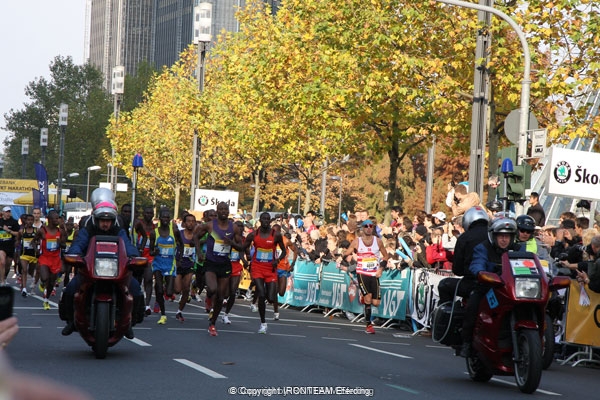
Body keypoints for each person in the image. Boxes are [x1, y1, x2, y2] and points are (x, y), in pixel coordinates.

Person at [61, 192, 143, 338]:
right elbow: (79, 243)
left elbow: (127, 244)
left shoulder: (119, 230)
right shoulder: (88, 229)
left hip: (115, 269)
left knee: (136, 289)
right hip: (90, 269)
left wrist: (134, 256)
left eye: (108, 221)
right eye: (102, 220)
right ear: (96, 219)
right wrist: (74, 254)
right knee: (71, 289)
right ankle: (71, 320)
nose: (105, 223)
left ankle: (129, 322)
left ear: (113, 220)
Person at [460, 217, 520, 357]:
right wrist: (481, 273)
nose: (504, 239)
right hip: (489, 286)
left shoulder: (519, 249)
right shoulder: (483, 248)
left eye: (507, 236)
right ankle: (467, 342)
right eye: (501, 236)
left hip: (513, 288)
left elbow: (532, 263)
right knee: (473, 305)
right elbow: (477, 264)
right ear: (493, 236)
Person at [194, 202, 243, 336]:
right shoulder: (210, 225)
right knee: (212, 289)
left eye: (225, 209)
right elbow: (196, 237)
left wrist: (231, 243)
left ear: (228, 211)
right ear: (217, 211)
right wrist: (199, 252)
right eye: (220, 209)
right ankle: (209, 298)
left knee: (221, 297)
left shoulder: (234, 227)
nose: (223, 211)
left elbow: (241, 247)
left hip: (224, 264)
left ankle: (212, 323)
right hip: (211, 263)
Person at [242, 212, 286, 334]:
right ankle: (263, 323)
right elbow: (243, 248)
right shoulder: (253, 235)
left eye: (268, 219)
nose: (266, 221)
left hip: (270, 269)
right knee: (261, 294)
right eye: (264, 219)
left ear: (270, 221)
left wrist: (277, 260)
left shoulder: (276, 235)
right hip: (257, 268)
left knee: (271, 298)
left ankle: (261, 295)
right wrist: (245, 259)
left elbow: (283, 251)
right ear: (260, 220)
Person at [343, 219, 389, 334]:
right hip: (362, 273)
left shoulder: (378, 241)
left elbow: (386, 256)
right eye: (366, 226)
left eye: (371, 226)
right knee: (368, 299)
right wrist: (343, 256)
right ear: (362, 229)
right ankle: (368, 325)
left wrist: (381, 268)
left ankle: (364, 298)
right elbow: (347, 252)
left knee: (376, 303)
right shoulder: (357, 241)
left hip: (374, 273)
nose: (369, 228)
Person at [438, 207, 489, 307]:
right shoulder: (494, 234)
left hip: (472, 283)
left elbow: (457, 270)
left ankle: (449, 314)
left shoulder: (464, 238)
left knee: (444, 285)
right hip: (496, 283)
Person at [149, 208, 180, 325]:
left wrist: (179, 258)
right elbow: (151, 251)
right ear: (159, 218)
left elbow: (181, 245)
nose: (166, 219)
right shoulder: (154, 233)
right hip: (158, 264)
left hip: (170, 265)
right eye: (163, 217)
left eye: (168, 217)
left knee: (169, 292)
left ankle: (162, 291)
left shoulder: (174, 231)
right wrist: (154, 252)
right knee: (159, 289)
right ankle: (163, 314)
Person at [32, 210, 66, 310]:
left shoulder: (61, 232)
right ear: (49, 219)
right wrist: (36, 250)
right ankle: (42, 283)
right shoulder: (42, 230)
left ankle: (46, 300)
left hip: (55, 259)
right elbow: (33, 241)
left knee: (51, 282)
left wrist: (60, 243)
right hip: (45, 258)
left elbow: (64, 246)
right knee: (44, 277)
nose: (57, 220)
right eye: (56, 218)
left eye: (58, 218)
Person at [174, 213, 198, 322]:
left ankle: (179, 311)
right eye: (188, 221)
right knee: (177, 290)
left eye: (193, 221)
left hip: (189, 265)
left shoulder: (197, 235)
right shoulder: (179, 234)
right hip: (179, 264)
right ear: (184, 223)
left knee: (186, 288)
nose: (191, 223)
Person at [133, 206, 156, 316]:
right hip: (138, 256)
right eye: (147, 213)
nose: (149, 215)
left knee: (148, 279)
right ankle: (136, 303)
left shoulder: (154, 227)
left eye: (151, 213)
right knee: (137, 281)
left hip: (149, 257)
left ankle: (147, 305)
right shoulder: (139, 224)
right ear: (143, 213)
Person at [272, 223, 298, 320]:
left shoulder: (285, 240)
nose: (274, 234)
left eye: (276, 232)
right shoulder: (269, 240)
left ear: (280, 232)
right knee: (274, 291)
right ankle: (276, 312)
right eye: (273, 231)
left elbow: (295, 250)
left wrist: (293, 264)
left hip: (283, 268)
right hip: (273, 268)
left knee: (281, 292)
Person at [16, 214, 37, 297]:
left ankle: (32, 279)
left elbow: (41, 240)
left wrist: (36, 244)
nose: (30, 222)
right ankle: (24, 289)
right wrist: (17, 244)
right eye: (28, 220)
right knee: (24, 270)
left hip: (33, 255)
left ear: (33, 221)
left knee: (31, 271)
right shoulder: (22, 231)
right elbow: (17, 240)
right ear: (26, 221)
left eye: (31, 220)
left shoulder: (36, 231)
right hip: (24, 254)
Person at [0, 206, 20, 285]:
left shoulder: (14, 222)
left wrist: (8, 230)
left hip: (10, 246)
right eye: (6, 212)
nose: (8, 214)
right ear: (3, 213)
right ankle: (2, 281)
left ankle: (4, 277)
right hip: (1, 246)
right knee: (2, 262)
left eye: (9, 212)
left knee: (8, 264)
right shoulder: (0, 221)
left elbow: (18, 234)